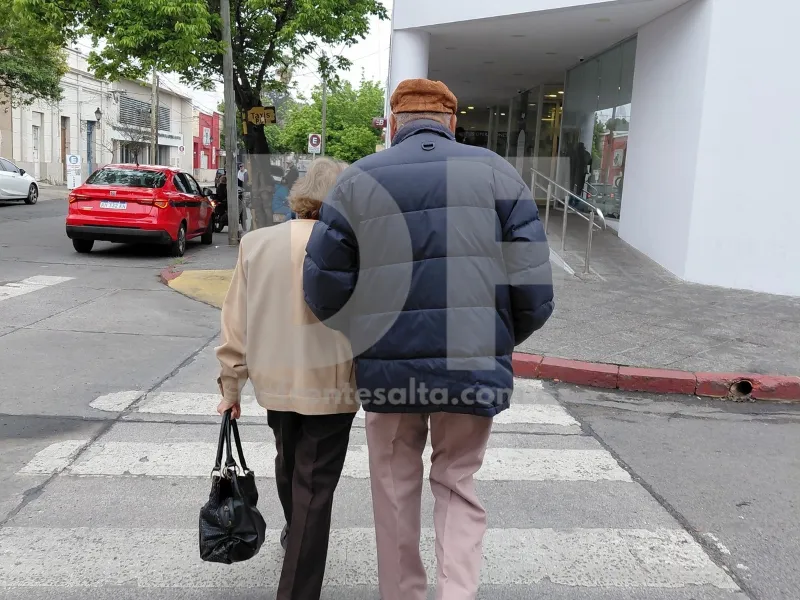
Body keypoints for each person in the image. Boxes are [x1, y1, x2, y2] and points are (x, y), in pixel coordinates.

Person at [303, 79, 554, 600]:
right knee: (459, 483)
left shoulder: (358, 181)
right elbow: (533, 286)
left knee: (394, 490)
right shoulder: (496, 173)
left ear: (394, 124)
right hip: (472, 360)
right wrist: (499, 338)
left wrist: (366, 336)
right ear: (452, 123)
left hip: (388, 368)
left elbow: (322, 288)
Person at [215, 157, 357, 600]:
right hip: (332, 385)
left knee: (288, 461)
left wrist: (231, 385)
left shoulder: (256, 243)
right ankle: (298, 580)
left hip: (274, 382)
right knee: (314, 483)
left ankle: (297, 530)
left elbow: (235, 322)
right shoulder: (356, 247)